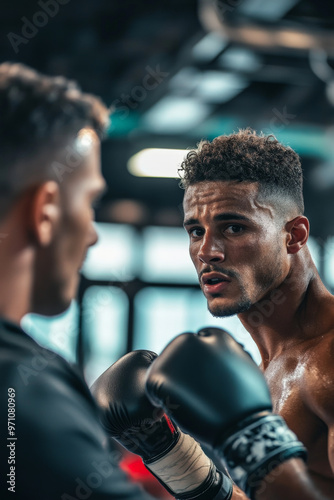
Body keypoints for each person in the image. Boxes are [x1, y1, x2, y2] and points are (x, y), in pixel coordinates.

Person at [0, 62, 234, 500]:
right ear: (45, 211)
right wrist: (252, 437)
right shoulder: (19, 389)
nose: (92, 234)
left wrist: (170, 454)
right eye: (89, 202)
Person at [144, 129, 334, 500]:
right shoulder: (261, 369)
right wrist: (166, 453)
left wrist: (250, 440)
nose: (207, 251)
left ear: (293, 236)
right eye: (195, 231)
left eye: (234, 227)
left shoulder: (328, 363)